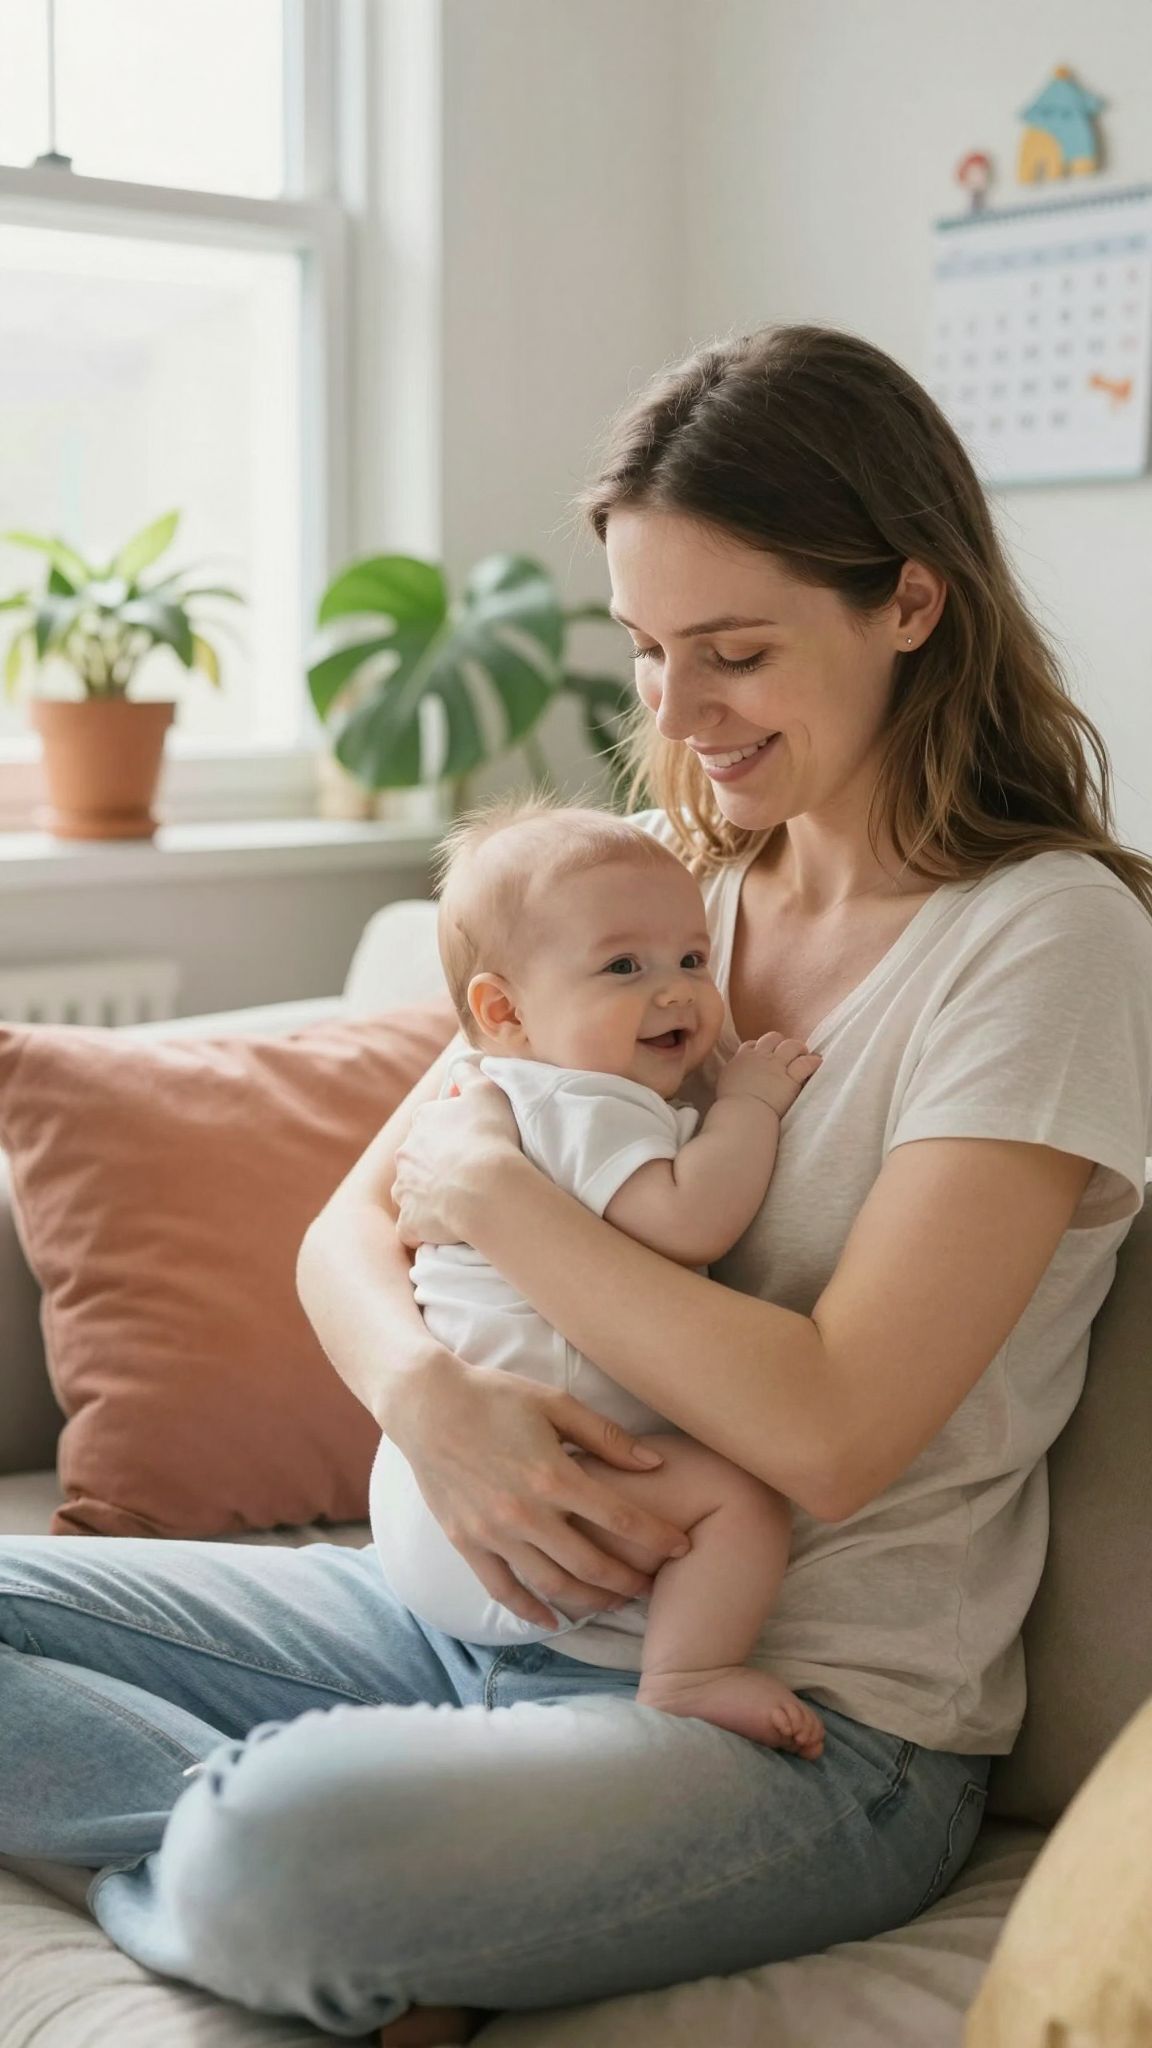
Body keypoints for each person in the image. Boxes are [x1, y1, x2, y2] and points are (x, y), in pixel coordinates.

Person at [2, 322, 1151, 2048]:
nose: (674, 717)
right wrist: (434, 1400)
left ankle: (305, 1862)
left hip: (803, 1721)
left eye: (734, 652)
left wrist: (507, 1202)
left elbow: (836, 1425)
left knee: (273, 1855)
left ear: (908, 603)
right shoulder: (675, 886)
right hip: (462, 1594)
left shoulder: (1045, 940)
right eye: (641, 652)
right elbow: (349, 1229)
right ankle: (422, 1885)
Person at [368, 794, 824, 1756]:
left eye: (693, 960)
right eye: (624, 968)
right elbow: (692, 1217)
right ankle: (690, 1674)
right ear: (503, 1010)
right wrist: (748, 1103)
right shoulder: (582, 1101)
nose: (677, 992)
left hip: (429, 1502)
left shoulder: (496, 1092)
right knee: (736, 1503)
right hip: (529, 1502)